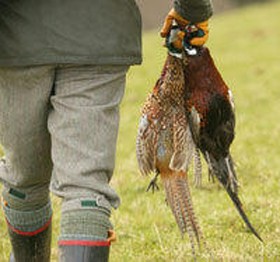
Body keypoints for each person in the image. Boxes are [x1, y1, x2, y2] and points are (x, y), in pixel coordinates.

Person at [0, 0, 212, 261]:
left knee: (25, 179)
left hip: (19, 42)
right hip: (100, 35)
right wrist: (193, 11)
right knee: (81, 185)